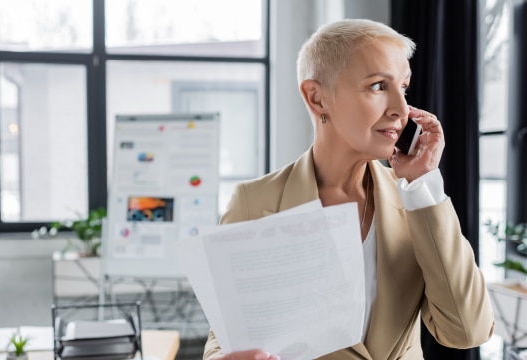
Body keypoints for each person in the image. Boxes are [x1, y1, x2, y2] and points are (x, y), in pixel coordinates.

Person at [203, 19, 494, 360]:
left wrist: (422, 186)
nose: (400, 109)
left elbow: (466, 330)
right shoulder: (256, 202)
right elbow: (225, 337)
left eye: (403, 87)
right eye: (376, 86)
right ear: (317, 97)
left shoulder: (416, 200)